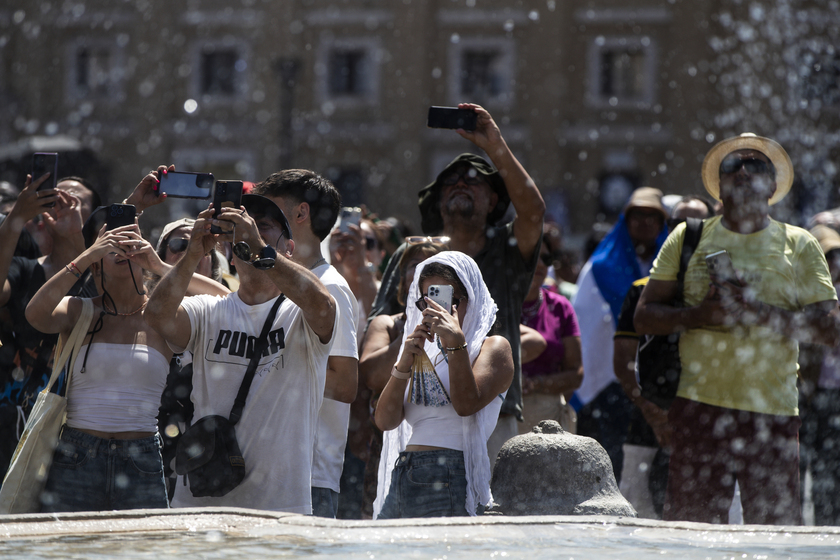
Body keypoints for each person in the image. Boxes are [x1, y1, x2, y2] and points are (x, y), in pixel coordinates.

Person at [634, 133, 839, 525]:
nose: (744, 173)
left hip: (772, 416)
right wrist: (698, 315)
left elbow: (831, 332)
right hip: (698, 411)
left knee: (775, 540)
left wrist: (757, 311)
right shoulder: (688, 236)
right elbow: (644, 317)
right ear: (720, 185)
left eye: (757, 166)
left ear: (773, 186)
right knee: (692, 538)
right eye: (733, 166)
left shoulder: (800, 245)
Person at [369, 103, 545, 466]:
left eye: (474, 180)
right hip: (415, 419)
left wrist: (494, 145)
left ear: (494, 199)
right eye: (450, 181)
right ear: (438, 198)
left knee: (488, 516)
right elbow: (371, 366)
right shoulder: (412, 255)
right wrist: (411, 337)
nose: (461, 184)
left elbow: (533, 212)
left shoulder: (506, 250)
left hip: (489, 413)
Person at [146, 193, 336, 513]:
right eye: (244, 231)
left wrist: (261, 250)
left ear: (288, 249)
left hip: (280, 507)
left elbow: (324, 306)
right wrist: (193, 253)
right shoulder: (208, 309)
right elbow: (157, 316)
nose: (252, 233)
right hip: (202, 503)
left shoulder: (299, 314)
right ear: (231, 256)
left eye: (265, 227)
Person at [24, 219, 174, 512]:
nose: (123, 248)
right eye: (112, 245)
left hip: (141, 456)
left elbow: (221, 300)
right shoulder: (78, 309)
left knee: (143, 552)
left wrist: (158, 265)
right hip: (76, 454)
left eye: (131, 242)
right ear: (96, 265)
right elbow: (35, 314)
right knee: (68, 552)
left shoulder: (165, 316)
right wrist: (85, 256)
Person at [250, 170, 358, 518]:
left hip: (309, 476)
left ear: (300, 214)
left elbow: (345, 383)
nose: (258, 222)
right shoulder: (277, 282)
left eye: (269, 212)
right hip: (267, 471)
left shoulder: (331, 287)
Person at [374, 251, 513, 518]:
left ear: (470, 300)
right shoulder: (425, 351)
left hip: (449, 472)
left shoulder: (493, 348)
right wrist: (403, 363)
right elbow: (385, 421)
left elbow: (466, 404)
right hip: (405, 470)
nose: (434, 310)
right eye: (427, 301)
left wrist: (455, 342)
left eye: (445, 300)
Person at [612, 195, 714, 519]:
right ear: (667, 229)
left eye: (697, 225)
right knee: (638, 527)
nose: (686, 232)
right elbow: (624, 362)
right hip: (647, 426)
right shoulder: (642, 290)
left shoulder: (722, 292)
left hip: (708, 427)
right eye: (678, 224)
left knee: (711, 526)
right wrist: (654, 413)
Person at [0, 174, 98, 476]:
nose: (64, 202)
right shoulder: (24, 268)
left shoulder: (103, 272)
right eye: (55, 196)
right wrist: (16, 215)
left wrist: (76, 242)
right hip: (16, 421)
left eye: (76, 200)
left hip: (83, 425)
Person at [572, 186, 669, 483]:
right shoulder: (600, 269)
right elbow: (587, 326)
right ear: (625, 222)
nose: (644, 222)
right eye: (636, 216)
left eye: (651, 217)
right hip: (610, 385)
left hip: (660, 380)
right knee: (611, 465)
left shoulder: (672, 269)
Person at [359, 239, 446, 516]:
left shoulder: (461, 329)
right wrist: (414, 328)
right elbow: (371, 375)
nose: (422, 270)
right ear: (401, 280)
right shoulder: (386, 324)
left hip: (443, 447)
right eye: (414, 264)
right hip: (389, 441)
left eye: (433, 265)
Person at [518, 226, 583, 435]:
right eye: (531, 257)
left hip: (549, 421)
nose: (539, 265)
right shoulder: (494, 305)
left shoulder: (560, 307)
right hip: (502, 416)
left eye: (545, 259)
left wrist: (536, 385)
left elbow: (576, 374)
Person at [799, 224, 840, 525]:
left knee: (831, 470)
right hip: (810, 393)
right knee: (804, 467)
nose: (834, 264)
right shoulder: (805, 294)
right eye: (828, 257)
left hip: (835, 395)